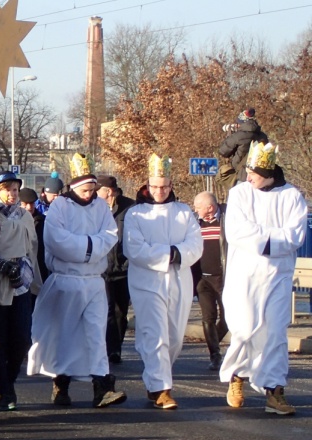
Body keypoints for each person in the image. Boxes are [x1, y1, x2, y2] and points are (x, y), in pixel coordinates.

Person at [27, 153, 126, 409]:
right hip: (66, 279)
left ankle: (102, 387)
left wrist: (89, 248)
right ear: (74, 187)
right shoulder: (60, 207)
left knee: (96, 333)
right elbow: (56, 240)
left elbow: (110, 235)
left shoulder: (101, 207)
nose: (89, 194)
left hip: (94, 280)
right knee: (65, 334)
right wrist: (90, 247)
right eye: (85, 189)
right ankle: (61, 384)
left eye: (93, 189)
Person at [221, 141, 307, 415]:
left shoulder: (292, 196)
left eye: (253, 173)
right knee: (245, 329)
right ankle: (237, 375)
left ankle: (274, 389)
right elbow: (237, 231)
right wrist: (273, 238)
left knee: (275, 333)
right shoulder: (240, 194)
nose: (248, 177)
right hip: (244, 275)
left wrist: (263, 237)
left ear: (269, 173)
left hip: (278, 276)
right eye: (247, 171)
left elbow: (295, 235)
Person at [123, 155, 203, 410]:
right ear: (147, 185)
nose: (160, 192)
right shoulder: (136, 214)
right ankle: (161, 388)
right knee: (155, 333)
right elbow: (134, 248)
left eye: (165, 186)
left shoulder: (183, 211)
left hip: (179, 278)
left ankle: (155, 378)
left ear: (171, 185)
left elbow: (195, 243)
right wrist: (169, 253)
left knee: (175, 337)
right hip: (147, 280)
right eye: (155, 186)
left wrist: (178, 254)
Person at [0, 172, 40, 411]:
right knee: (1, 339)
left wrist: (31, 275)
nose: (13, 194)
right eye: (8, 189)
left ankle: (10, 378)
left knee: (22, 339)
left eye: (16, 189)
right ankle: (5, 389)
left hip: (21, 281)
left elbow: (33, 248)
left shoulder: (24, 215)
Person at [96, 175, 135, 365]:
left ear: (108, 191)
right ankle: (107, 348)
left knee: (121, 310)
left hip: (123, 268)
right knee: (107, 309)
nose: (95, 194)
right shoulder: (95, 207)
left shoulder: (130, 208)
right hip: (102, 268)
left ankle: (116, 346)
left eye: (99, 190)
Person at [192, 191, 228, 371]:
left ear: (210, 207)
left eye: (198, 207)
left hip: (223, 277)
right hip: (201, 278)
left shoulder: (226, 220)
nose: (195, 210)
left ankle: (215, 339)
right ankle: (214, 354)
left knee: (228, 316)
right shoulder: (194, 223)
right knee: (208, 317)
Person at [218, 108, 268, 184]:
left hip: (242, 175)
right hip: (259, 175)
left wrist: (230, 135)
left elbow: (223, 152)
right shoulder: (263, 136)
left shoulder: (238, 136)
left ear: (241, 123)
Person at [19, 186, 48, 284]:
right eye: (25, 204)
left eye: (32, 203)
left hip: (40, 266)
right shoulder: (15, 221)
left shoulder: (43, 221)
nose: (29, 207)